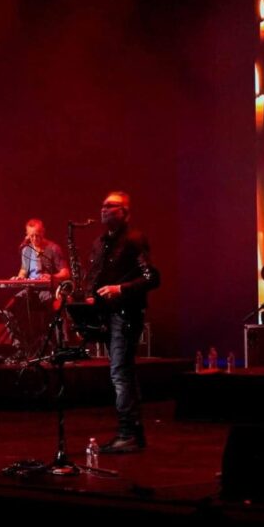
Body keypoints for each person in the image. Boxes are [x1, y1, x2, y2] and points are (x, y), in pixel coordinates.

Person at [86, 191, 160, 453]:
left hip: (126, 313)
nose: (104, 209)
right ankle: (133, 433)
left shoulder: (134, 239)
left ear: (125, 212)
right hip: (107, 314)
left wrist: (120, 289)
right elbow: (96, 277)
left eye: (111, 206)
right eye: (103, 205)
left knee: (120, 373)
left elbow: (152, 278)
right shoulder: (100, 242)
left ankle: (128, 433)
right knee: (123, 372)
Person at [8, 219, 70, 350]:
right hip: (31, 289)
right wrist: (19, 278)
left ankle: (62, 344)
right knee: (10, 308)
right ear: (27, 235)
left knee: (57, 307)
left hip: (48, 290)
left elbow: (65, 272)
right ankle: (19, 345)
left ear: (43, 232)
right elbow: (24, 270)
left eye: (37, 235)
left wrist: (52, 276)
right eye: (31, 236)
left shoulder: (53, 248)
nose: (35, 239)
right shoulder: (26, 250)